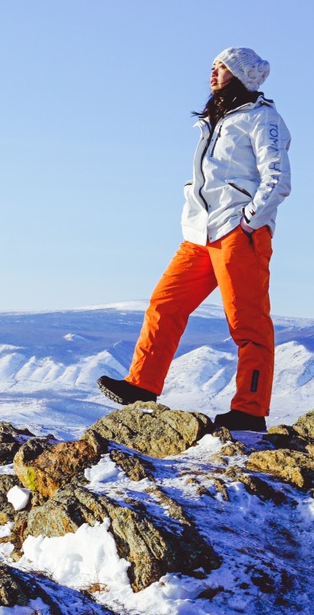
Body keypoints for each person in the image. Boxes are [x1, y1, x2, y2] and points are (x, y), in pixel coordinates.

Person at [97, 47, 289, 433]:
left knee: (247, 323)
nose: (213, 73)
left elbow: (278, 179)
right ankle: (142, 386)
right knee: (165, 304)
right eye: (213, 67)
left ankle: (250, 412)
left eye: (222, 67)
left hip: (237, 231)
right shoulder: (215, 119)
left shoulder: (262, 119)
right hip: (199, 231)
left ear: (240, 74)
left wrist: (248, 221)